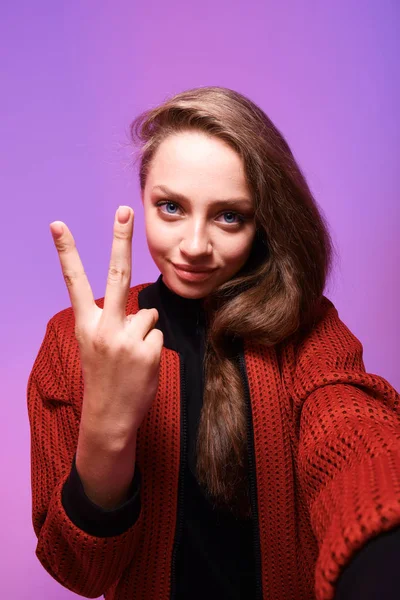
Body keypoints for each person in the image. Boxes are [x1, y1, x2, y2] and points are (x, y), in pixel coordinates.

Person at [27, 86, 400, 600]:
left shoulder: (306, 329)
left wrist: (381, 549)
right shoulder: (71, 341)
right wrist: (106, 427)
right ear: (143, 201)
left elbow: (353, 434)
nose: (195, 246)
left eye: (230, 216)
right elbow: (80, 573)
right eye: (171, 207)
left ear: (264, 222)